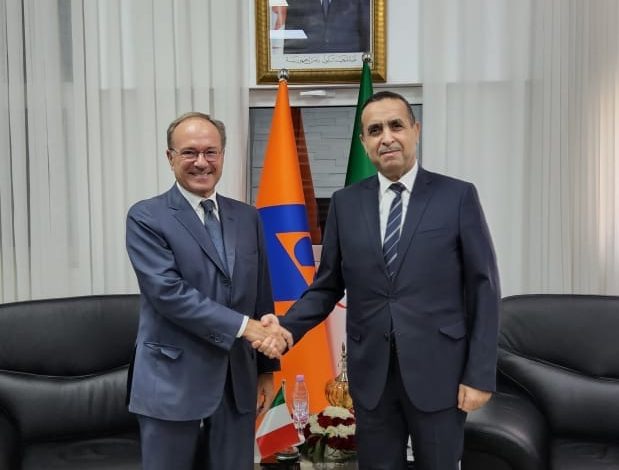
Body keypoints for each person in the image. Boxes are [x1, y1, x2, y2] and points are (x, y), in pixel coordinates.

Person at [260, 91, 500, 469]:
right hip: (372, 377)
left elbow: (483, 289)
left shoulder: (457, 196)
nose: (386, 137)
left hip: (440, 372)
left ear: (415, 130)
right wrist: (286, 329)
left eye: (396, 126)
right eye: (375, 130)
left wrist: (480, 375)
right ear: (364, 142)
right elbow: (327, 285)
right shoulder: (345, 203)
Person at [125, 112, 291, 470]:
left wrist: (266, 369)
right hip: (172, 382)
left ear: (223, 155)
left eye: (210, 152)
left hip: (237, 382)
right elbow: (168, 293)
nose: (202, 162)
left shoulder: (247, 217)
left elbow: (261, 294)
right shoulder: (146, 217)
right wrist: (246, 328)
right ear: (170, 157)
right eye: (189, 152)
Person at [281, 0, 370, 54]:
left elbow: (367, 33)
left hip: (351, 67)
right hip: (307, 66)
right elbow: (290, 38)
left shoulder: (358, 2)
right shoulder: (295, 2)